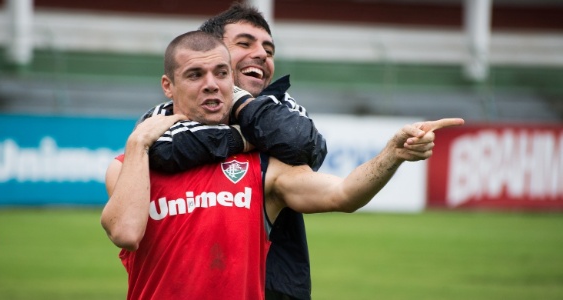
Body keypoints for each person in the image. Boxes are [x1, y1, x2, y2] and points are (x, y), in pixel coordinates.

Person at [101, 30, 464, 299]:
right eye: (195, 75)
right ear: (169, 85)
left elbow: (343, 194)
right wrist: (138, 144)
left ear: (234, 81)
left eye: (221, 73)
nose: (211, 85)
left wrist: (392, 154)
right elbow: (126, 233)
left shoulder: (263, 166)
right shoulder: (135, 163)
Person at [139, 4, 325, 299]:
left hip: (279, 287)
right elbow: (163, 149)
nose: (262, 54)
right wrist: (245, 138)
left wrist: (243, 105)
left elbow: (306, 145)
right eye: (245, 43)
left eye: (269, 49)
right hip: (195, 285)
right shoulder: (165, 114)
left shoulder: (281, 106)